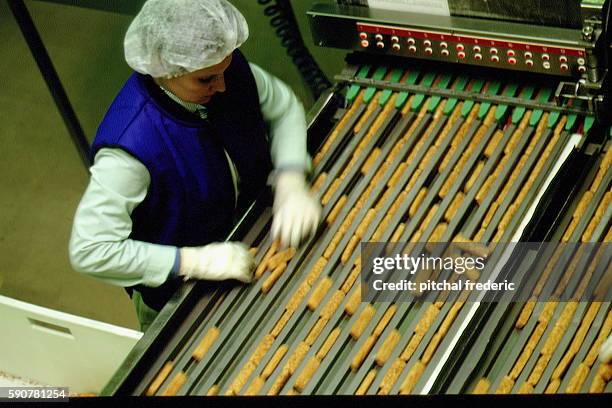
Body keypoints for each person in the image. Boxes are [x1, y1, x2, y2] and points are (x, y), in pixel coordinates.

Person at [69, 0, 321, 332]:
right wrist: (193, 261)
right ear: (162, 70)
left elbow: (283, 107)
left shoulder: (221, 70)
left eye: (224, 69)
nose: (222, 86)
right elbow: (90, 249)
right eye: (205, 80)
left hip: (252, 241)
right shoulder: (131, 147)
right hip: (180, 295)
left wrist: (290, 178)